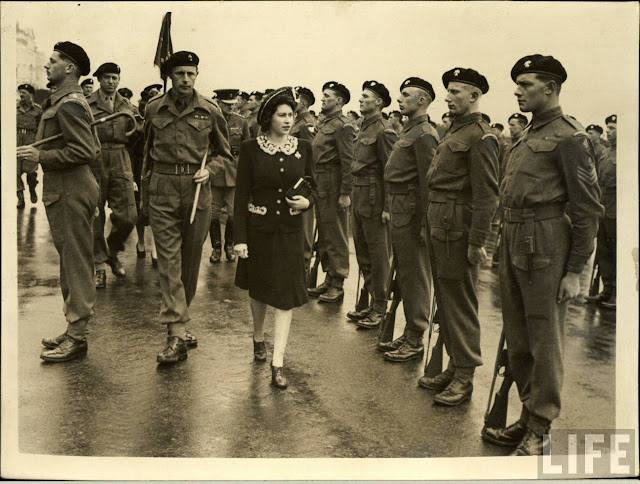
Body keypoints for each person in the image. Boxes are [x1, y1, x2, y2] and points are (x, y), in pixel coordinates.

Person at [482, 55, 603, 456]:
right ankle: (527, 414)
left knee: (544, 339)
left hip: (546, 242)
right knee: (518, 339)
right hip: (515, 238)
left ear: (550, 88)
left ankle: (540, 429)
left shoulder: (569, 137)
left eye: (526, 83)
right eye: (517, 83)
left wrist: (575, 271)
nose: (518, 90)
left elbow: (587, 209)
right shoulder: (529, 132)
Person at [141, 51, 233, 364]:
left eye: (191, 73)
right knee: (168, 262)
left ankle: (181, 317)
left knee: (190, 263)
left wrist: (212, 170)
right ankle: (176, 334)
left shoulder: (209, 109)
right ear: (170, 76)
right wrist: (144, 197)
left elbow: (225, 154)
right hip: (163, 188)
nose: (185, 79)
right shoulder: (153, 108)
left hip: (197, 190)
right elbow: (145, 155)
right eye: (180, 73)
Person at [417, 67, 499, 406]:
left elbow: (488, 196)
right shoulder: (454, 132)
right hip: (441, 224)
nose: (448, 97)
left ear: (474, 96)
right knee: (447, 302)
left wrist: (477, 242)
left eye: (455, 91)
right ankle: (454, 366)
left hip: (458, 230)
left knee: (460, 304)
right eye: (447, 91)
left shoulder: (481, 136)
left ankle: (465, 376)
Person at [17, 41, 100, 362]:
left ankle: (77, 337)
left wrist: (42, 156)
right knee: (69, 261)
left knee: (77, 263)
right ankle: (72, 328)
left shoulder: (70, 104)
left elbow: (86, 151)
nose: (46, 66)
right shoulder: (60, 100)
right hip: (63, 189)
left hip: (72, 189)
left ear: (70, 68)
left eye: (52, 62)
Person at [233, 87, 317, 388]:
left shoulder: (304, 147)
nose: (287, 120)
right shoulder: (251, 149)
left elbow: (313, 186)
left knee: (285, 297)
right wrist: (239, 238)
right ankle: (258, 336)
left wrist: (307, 202)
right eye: (282, 115)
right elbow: (241, 194)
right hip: (259, 233)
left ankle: (277, 362)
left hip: (291, 235)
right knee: (258, 291)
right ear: (268, 117)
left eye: (291, 115)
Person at [378, 77, 439, 361]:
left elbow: (429, 183)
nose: (399, 99)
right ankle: (409, 331)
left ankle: (415, 337)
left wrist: (426, 224)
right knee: (404, 274)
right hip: (401, 208)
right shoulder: (408, 130)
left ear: (422, 101)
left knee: (415, 277)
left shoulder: (424, 133)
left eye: (406, 95)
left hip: (413, 213)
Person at [349, 81, 397, 328]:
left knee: (378, 255)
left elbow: (390, 171)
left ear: (378, 102)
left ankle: (379, 308)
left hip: (373, 196)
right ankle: (372, 303)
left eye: (365, 96)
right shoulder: (363, 127)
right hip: (359, 192)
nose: (360, 99)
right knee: (363, 252)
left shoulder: (383, 130)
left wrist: (388, 207)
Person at [87, 62, 138, 288]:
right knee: (94, 215)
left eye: (115, 77)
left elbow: (140, 129)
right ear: (99, 79)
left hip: (120, 157)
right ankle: (99, 265)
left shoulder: (126, 105)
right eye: (106, 77)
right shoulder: (87, 104)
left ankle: (113, 250)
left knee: (129, 215)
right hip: (95, 158)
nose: (111, 81)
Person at [308, 81, 355, 303]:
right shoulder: (325, 123)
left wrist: (345, 193)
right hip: (320, 181)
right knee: (325, 233)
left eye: (327, 95)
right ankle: (329, 277)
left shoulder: (343, 126)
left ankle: (338, 282)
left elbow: (349, 162)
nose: (323, 98)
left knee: (336, 234)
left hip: (333, 183)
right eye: (323, 94)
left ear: (339, 100)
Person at [209, 89, 251, 263]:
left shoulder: (241, 122)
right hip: (215, 173)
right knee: (213, 214)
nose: (229, 107)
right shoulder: (211, 120)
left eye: (232, 104)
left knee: (233, 214)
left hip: (234, 174)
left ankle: (229, 245)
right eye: (226, 104)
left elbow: (248, 147)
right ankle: (216, 248)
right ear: (218, 102)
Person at [586, 115, 617, 309]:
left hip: (618, 208)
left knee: (616, 252)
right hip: (604, 205)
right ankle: (606, 291)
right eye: (608, 128)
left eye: (612, 128)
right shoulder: (606, 153)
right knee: (604, 251)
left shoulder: (629, 152)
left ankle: (617, 293)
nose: (608, 131)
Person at [130, 84, 162, 266]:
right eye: (151, 96)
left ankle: (156, 249)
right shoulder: (138, 118)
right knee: (139, 210)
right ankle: (141, 241)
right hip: (137, 168)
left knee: (157, 211)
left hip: (156, 169)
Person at [290, 87, 318, 278]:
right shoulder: (295, 121)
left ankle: (304, 273)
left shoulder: (307, 124)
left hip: (301, 182)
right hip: (291, 179)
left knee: (304, 231)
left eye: (296, 99)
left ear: (304, 103)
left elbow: (310, 156)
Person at [16, 83, 42, 209]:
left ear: (31, 95)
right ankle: (20, 198)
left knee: (31, 172)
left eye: (24, 93)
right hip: (17, 140)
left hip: (32, 140)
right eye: (20, 92)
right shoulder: (14, 108)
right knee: (15, 172)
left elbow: (41, 127)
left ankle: (32, 188)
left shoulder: (37, 109)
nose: (21, 95)